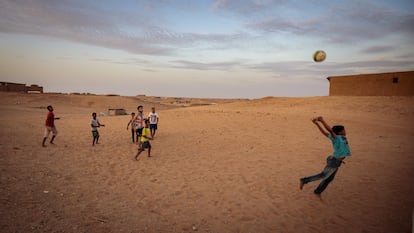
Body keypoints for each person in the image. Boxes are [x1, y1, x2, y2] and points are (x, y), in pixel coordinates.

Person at [299, 116, 351, 196]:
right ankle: (304, 180)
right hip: (334, 161)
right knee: (323, 175)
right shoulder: (336, 138)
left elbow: (324, 133)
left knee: (329, 179)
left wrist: (317, 124)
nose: (345, 131)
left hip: (336, 161)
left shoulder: (341, 137)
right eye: (343, 130)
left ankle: (317, 191)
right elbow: (329, 130)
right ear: (340, 132)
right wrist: (322, 121)